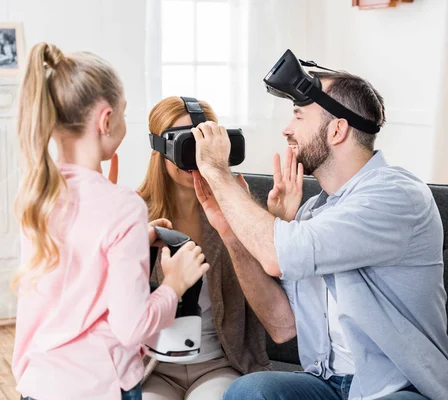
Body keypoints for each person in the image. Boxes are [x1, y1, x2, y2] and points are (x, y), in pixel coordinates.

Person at [190, 71, 448, 400]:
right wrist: (231, 233)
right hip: (328, 382)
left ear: (337, 129)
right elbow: (281, 324)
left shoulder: (396, 195)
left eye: (298, 115)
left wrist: (216, 170)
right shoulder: (312, 211)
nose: (287, 129)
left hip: (399, 388)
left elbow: (278, 253)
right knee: (250, 391)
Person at [11, 43, 210, 400]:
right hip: (98, 387)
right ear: (106, 120)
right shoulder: (122, 205)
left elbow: (72, 275)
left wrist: (138, 237)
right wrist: (175, 284)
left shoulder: (35, 196)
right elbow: (132, 328)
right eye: (123, 113)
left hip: (37, 383)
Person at [136, 96, 296, 400]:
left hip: (218, 363)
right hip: (152, 366)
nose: (196, 156)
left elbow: (273, 299)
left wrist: (279, 223)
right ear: (160, 148)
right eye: (187, 144)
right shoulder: (135, 214)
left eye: (204, 144)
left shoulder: (236, 213)